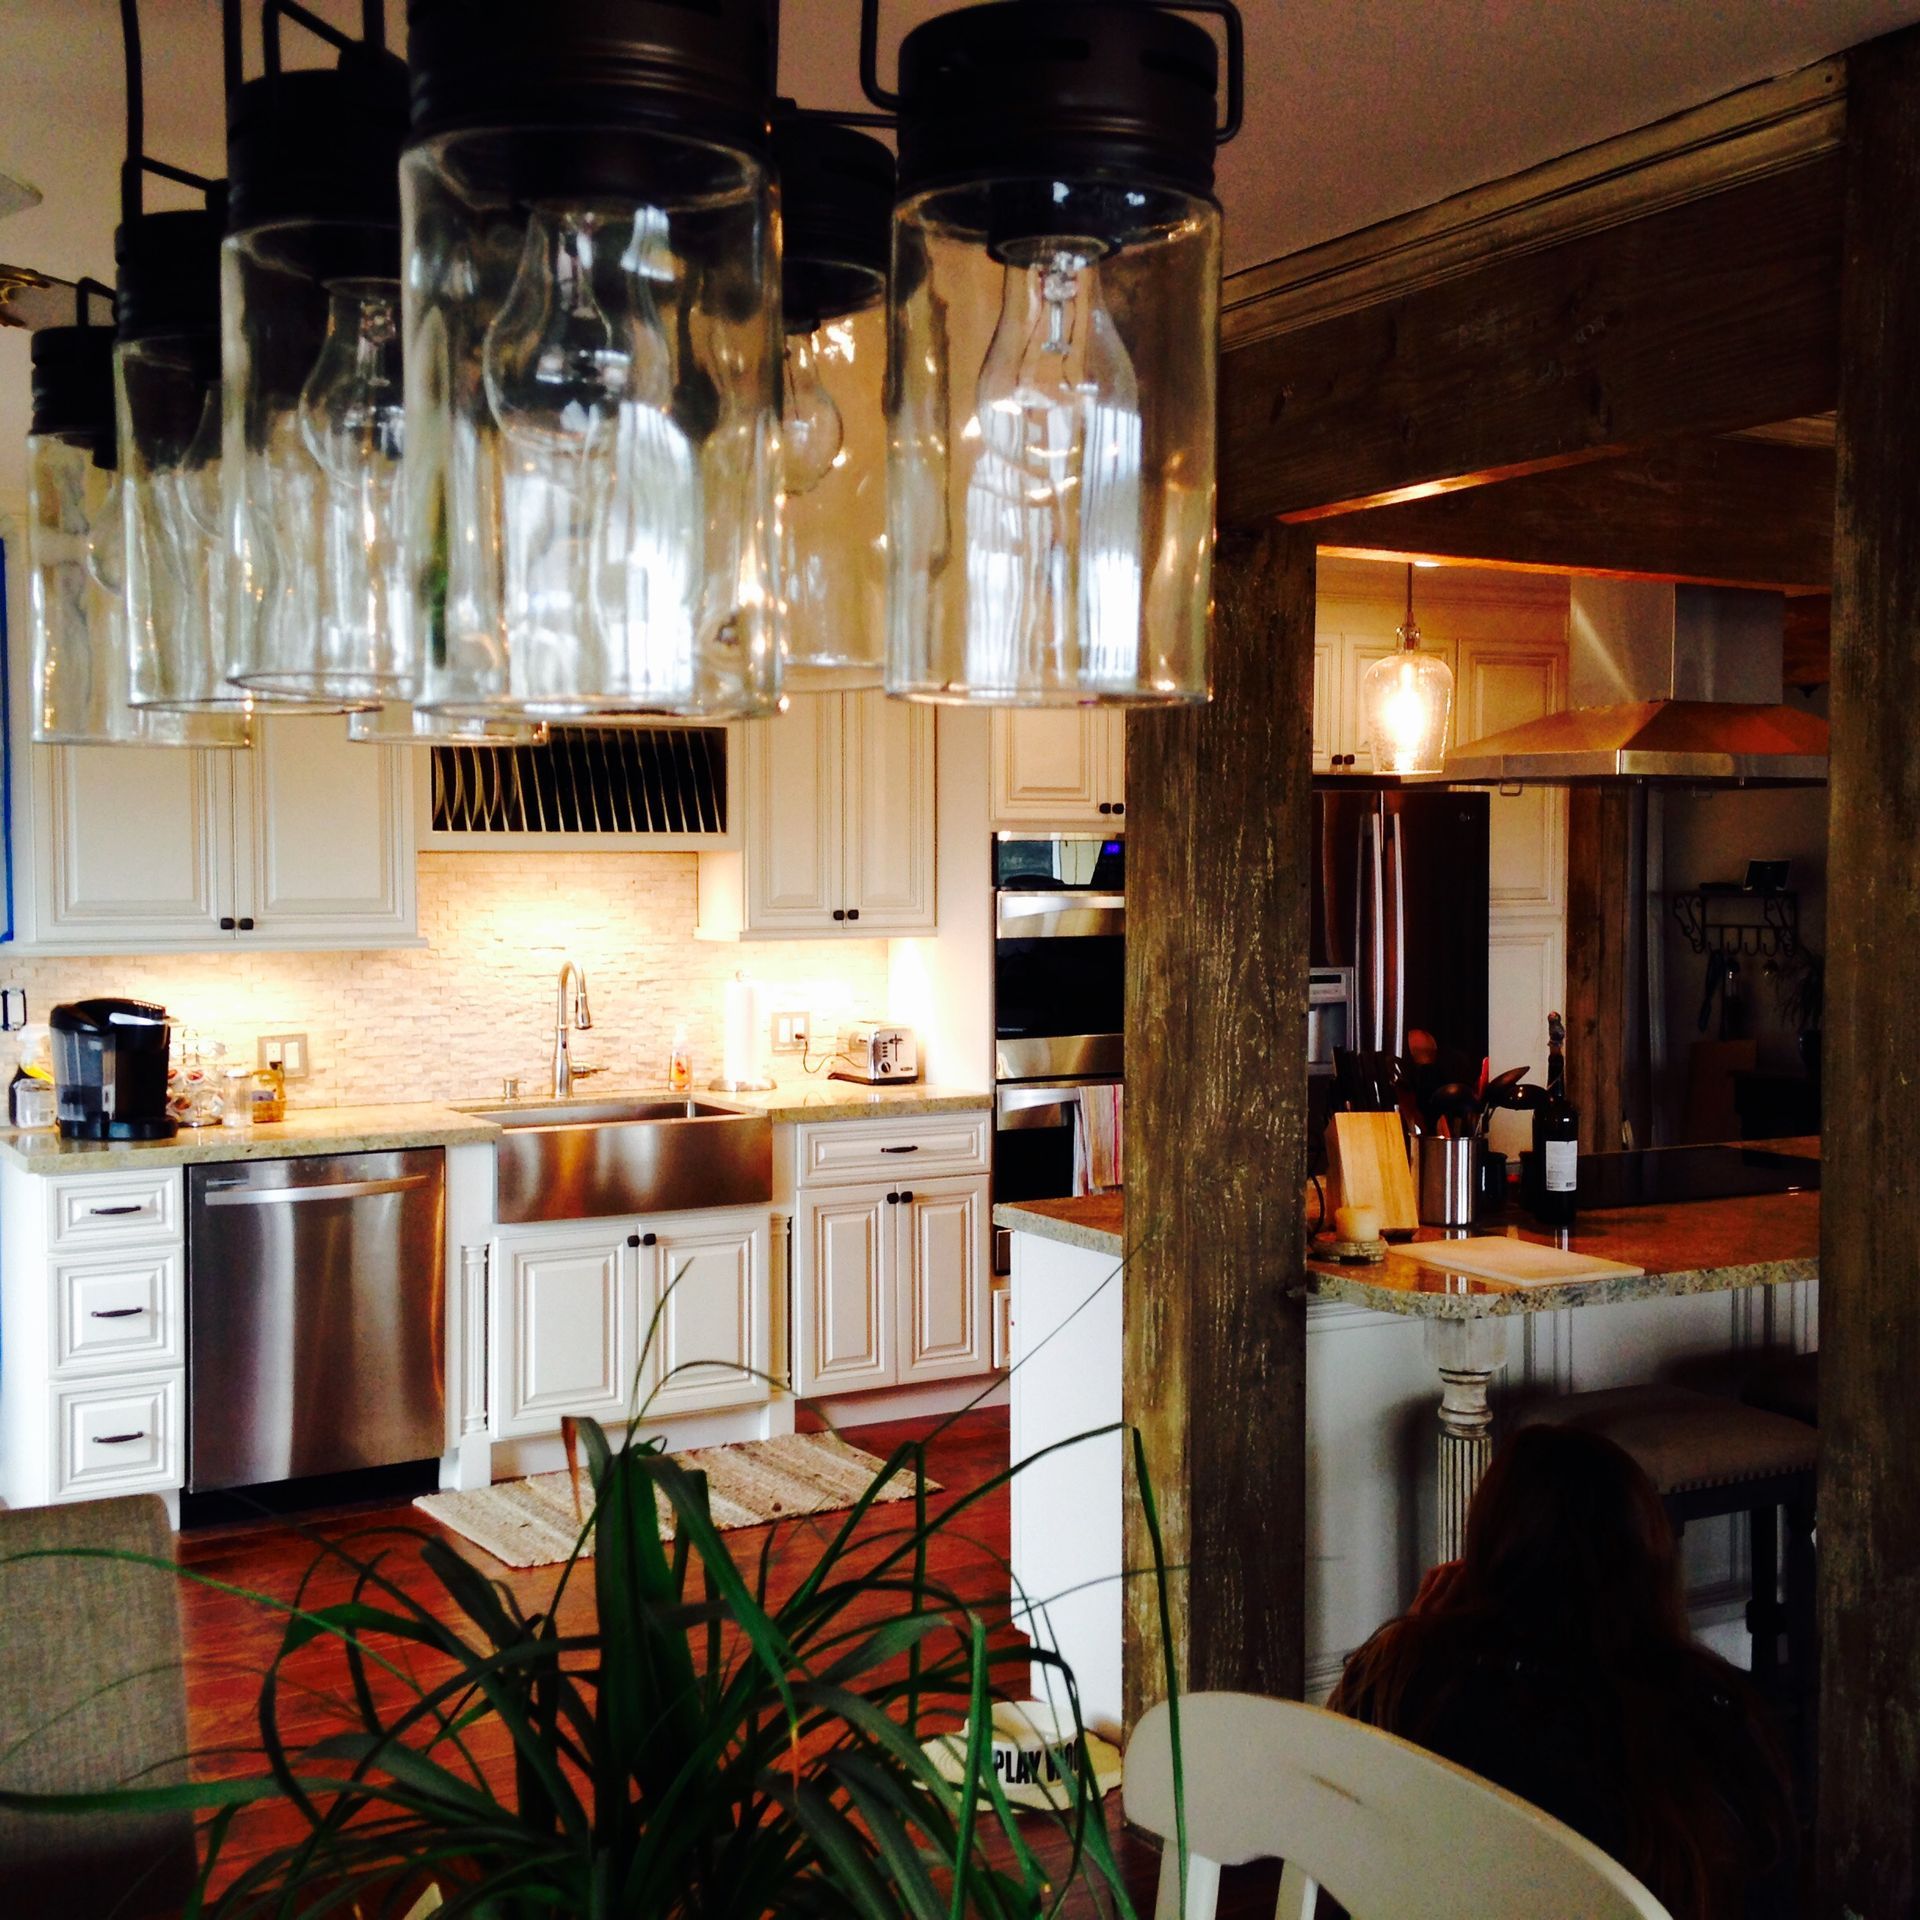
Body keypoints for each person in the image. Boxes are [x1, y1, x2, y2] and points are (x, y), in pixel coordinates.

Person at [1329, 1425, 1797, 1919]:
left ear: (1488, 1553)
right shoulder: (1716, 1721)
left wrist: (1409, 1648)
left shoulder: (1424, 1691)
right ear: (1652, 1564)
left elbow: (1318, 1802)